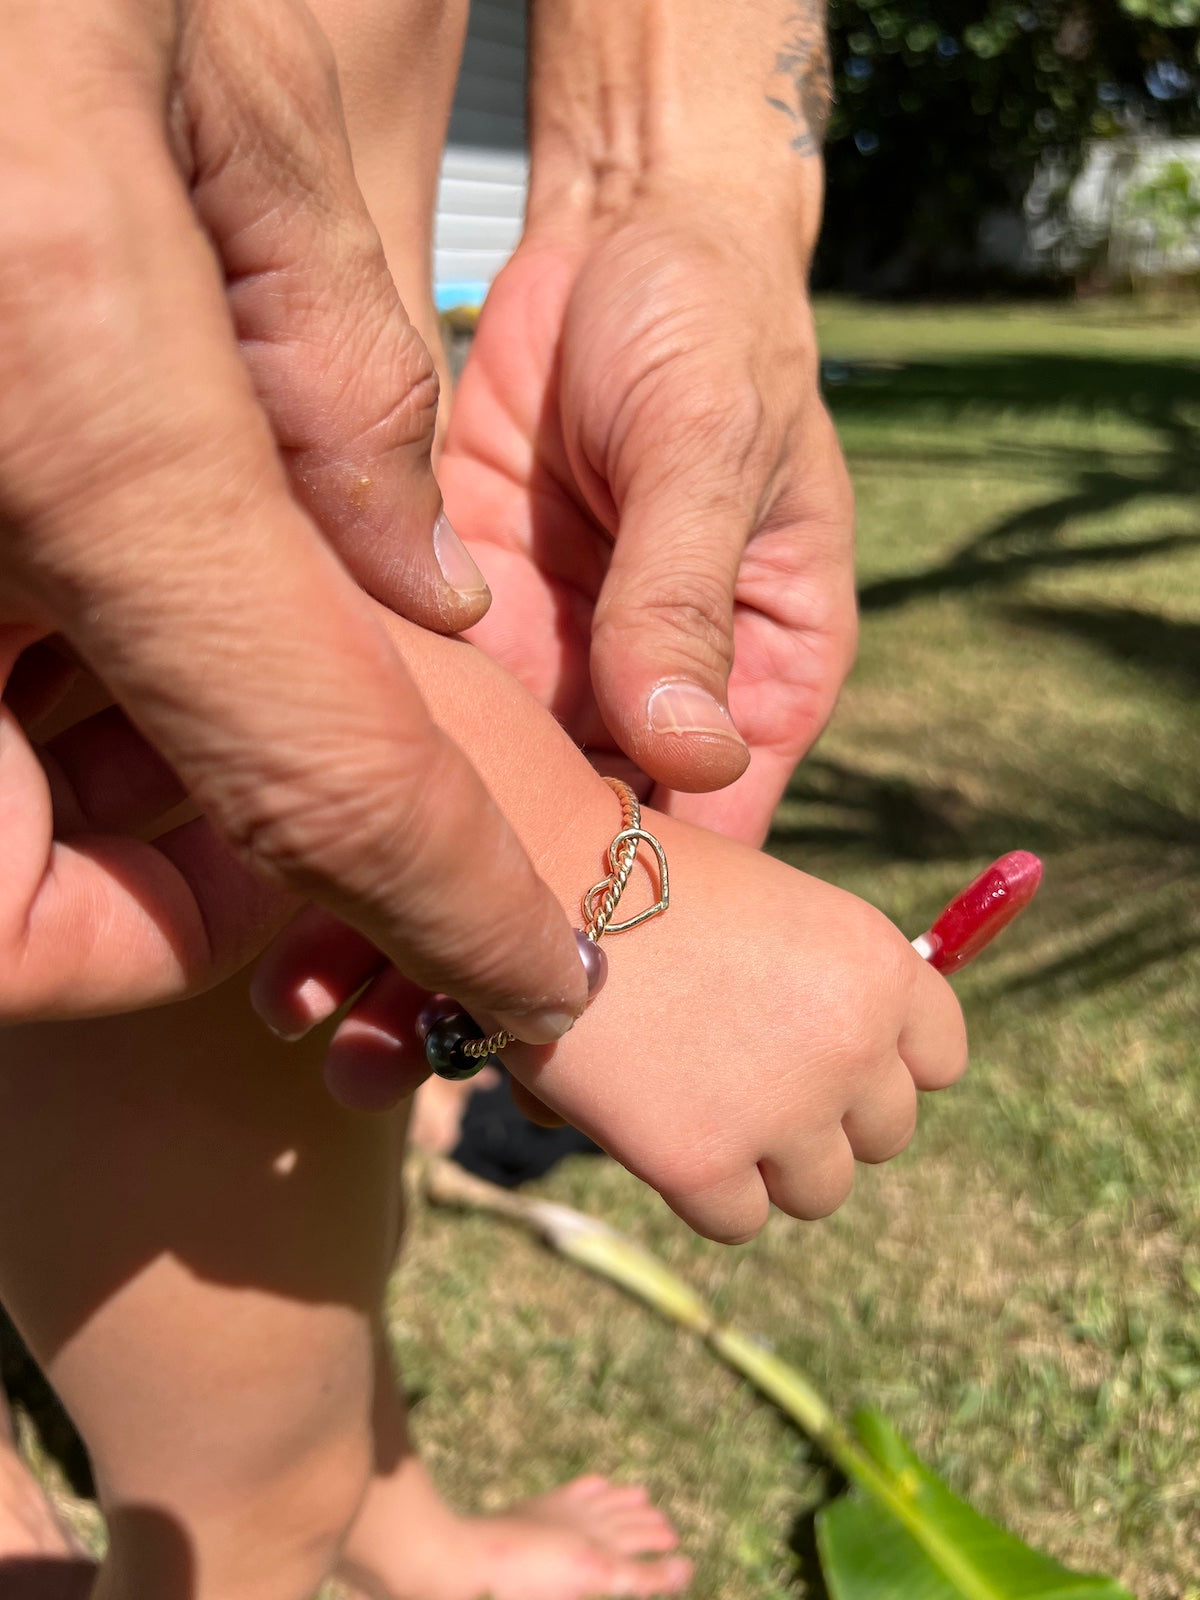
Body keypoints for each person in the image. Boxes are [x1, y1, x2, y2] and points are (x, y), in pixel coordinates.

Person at [0, 596, 964, 1600]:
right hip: (131, 696)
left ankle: (393, 1523)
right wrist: (559, 845)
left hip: (227, 691)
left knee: (324, 1232)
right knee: (248, 1500)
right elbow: (109, 482)